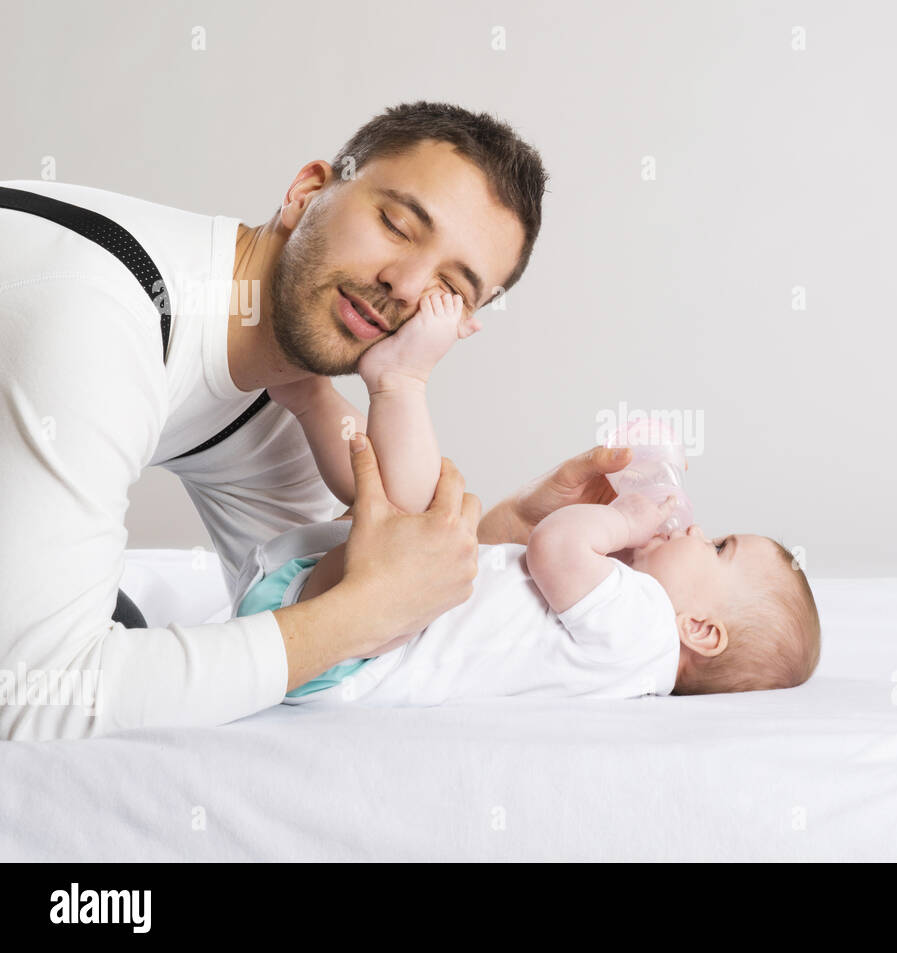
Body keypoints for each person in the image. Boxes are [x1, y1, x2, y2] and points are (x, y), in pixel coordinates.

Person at [0, 101, 628, 740]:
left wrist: (502, 541)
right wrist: (362, 615)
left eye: (450, 290)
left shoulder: (274, 393)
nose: (406, 285)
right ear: (307, 192)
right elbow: (37, 694)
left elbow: (309, 592)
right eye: (395, 224)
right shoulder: (100, 315)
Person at [228, 290, 820, 709]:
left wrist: (621, 520)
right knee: (380, 502)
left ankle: (399, 379)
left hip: (351, 645)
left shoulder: (647, 633)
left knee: (413, 510)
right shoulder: (625, 649)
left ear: (701, 631)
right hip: (340, 636)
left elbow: (556, 546)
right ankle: (307, 396)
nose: (697, 532)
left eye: (719, 548)